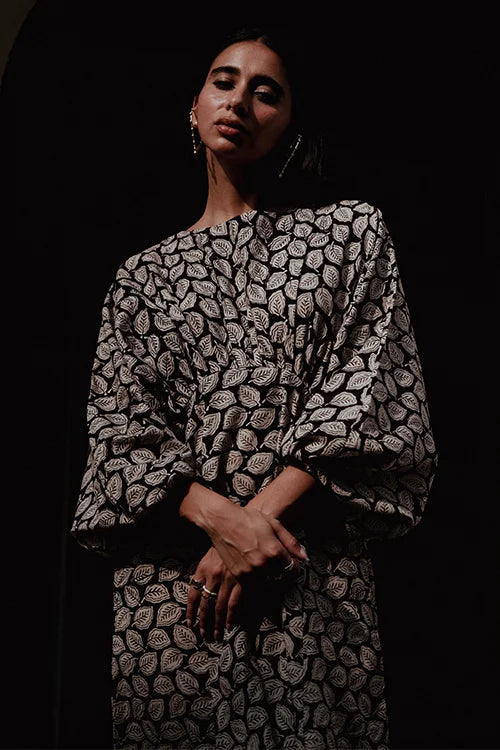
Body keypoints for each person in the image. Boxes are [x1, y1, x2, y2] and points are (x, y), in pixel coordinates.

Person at [70, 25, 438, 750]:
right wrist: (218, 520)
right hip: (174, 589)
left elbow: (370, 390)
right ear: (194, 106)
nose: (239, 100)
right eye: (224, 81)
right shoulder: (140, 278)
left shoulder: (348, 235)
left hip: (306, 570)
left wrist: (255, 524)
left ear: (291, 122)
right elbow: (118, 434)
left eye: (267, 92)